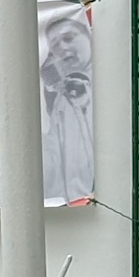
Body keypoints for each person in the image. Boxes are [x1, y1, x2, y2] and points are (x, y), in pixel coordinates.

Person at [41, 15, 94, 203]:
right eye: (55, 45)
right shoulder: (60, 101)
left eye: (69, 38)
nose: (62, 48)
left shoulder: (111, 80)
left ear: (89, 38)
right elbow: (54, 157)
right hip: (75, 204)